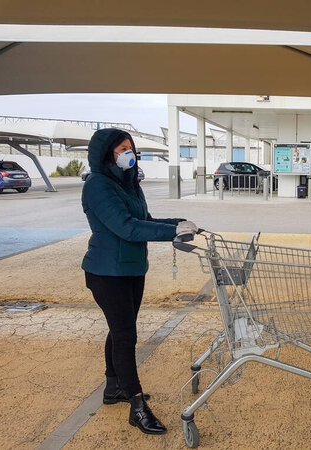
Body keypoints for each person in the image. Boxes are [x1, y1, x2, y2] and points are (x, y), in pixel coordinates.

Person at [82, 128, 199, 435]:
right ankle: (137, 407)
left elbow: (144, 218)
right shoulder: (98, 185)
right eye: (122, 148)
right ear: (108, 152)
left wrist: (178, 223)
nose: (129, 153)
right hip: (108, 272)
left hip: (133, 269)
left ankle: (113, 388)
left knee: (120, 330)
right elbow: (127, 228)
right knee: (125, 335)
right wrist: (171, 232)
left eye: (130, 147)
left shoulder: (129, 184)